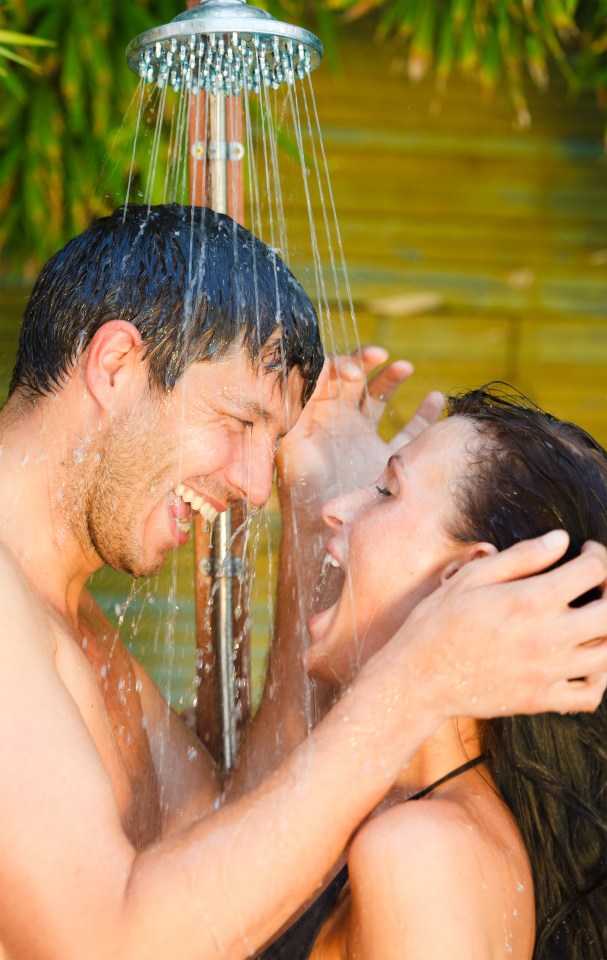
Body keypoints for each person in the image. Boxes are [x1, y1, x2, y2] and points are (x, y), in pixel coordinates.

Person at [0, 202, 606, 960]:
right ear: (116, 365)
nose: (256, 484)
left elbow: (232, 844)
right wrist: (415, 678)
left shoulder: (63, 620)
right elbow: (101, 942)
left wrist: (315, 518)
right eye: (239, 419)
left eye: (273, 442)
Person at [262, 385, 607, 960]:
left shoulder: (418, 851)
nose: (337, 506)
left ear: (466, 580)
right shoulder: (425, 813)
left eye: (385, 489)